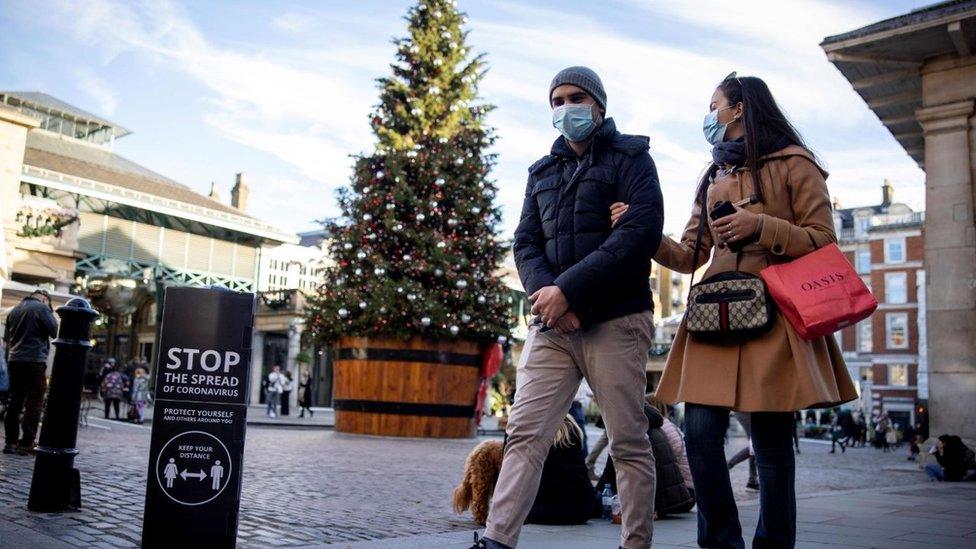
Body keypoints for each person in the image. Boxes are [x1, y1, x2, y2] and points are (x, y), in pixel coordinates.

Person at [614, 73, 858, 548]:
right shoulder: (712, 177)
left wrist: (761, 225)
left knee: (770, 443)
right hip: (715, 315)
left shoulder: (795, 164)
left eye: (714, 106)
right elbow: (689, 255)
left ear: (740, 109)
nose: (708, 117)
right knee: (701, 435)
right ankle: (720, 542)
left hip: (774, 317)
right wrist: (642, 232)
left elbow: (826, 241)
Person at [473, 66, 664, 549]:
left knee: (627, 441)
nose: (566, 108)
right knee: (525, 433)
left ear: (598, 103)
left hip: (617, 320)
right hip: (552, 324)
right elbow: (525, 242)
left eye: (576, 97)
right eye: (556, 100)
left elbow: (638, 235)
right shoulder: (541, 170)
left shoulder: (633, 158)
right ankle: (497, 540)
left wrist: (570, 293)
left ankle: (635, 543)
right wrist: (550, 298)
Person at [597, 396, 695, 517]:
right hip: (682, 494)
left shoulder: (638, 431)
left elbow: (611, 471)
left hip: (675, 499)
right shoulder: (658, 426)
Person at [2, 290, 58, 455]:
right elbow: (55, 331)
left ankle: (10, 442)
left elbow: (8, 338)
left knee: (15, 401)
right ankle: (27, 442)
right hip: (34, 361)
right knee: (34, 401)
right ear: (44, 298)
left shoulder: (15, 310)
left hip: (14, 360)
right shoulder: (41, 308)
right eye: (49, 304)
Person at [727, 412, 760, 489]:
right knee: (756, 443)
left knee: (754, 444)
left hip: (750, 410)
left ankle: (752, 481)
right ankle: (728, 464)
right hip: (745, 410)